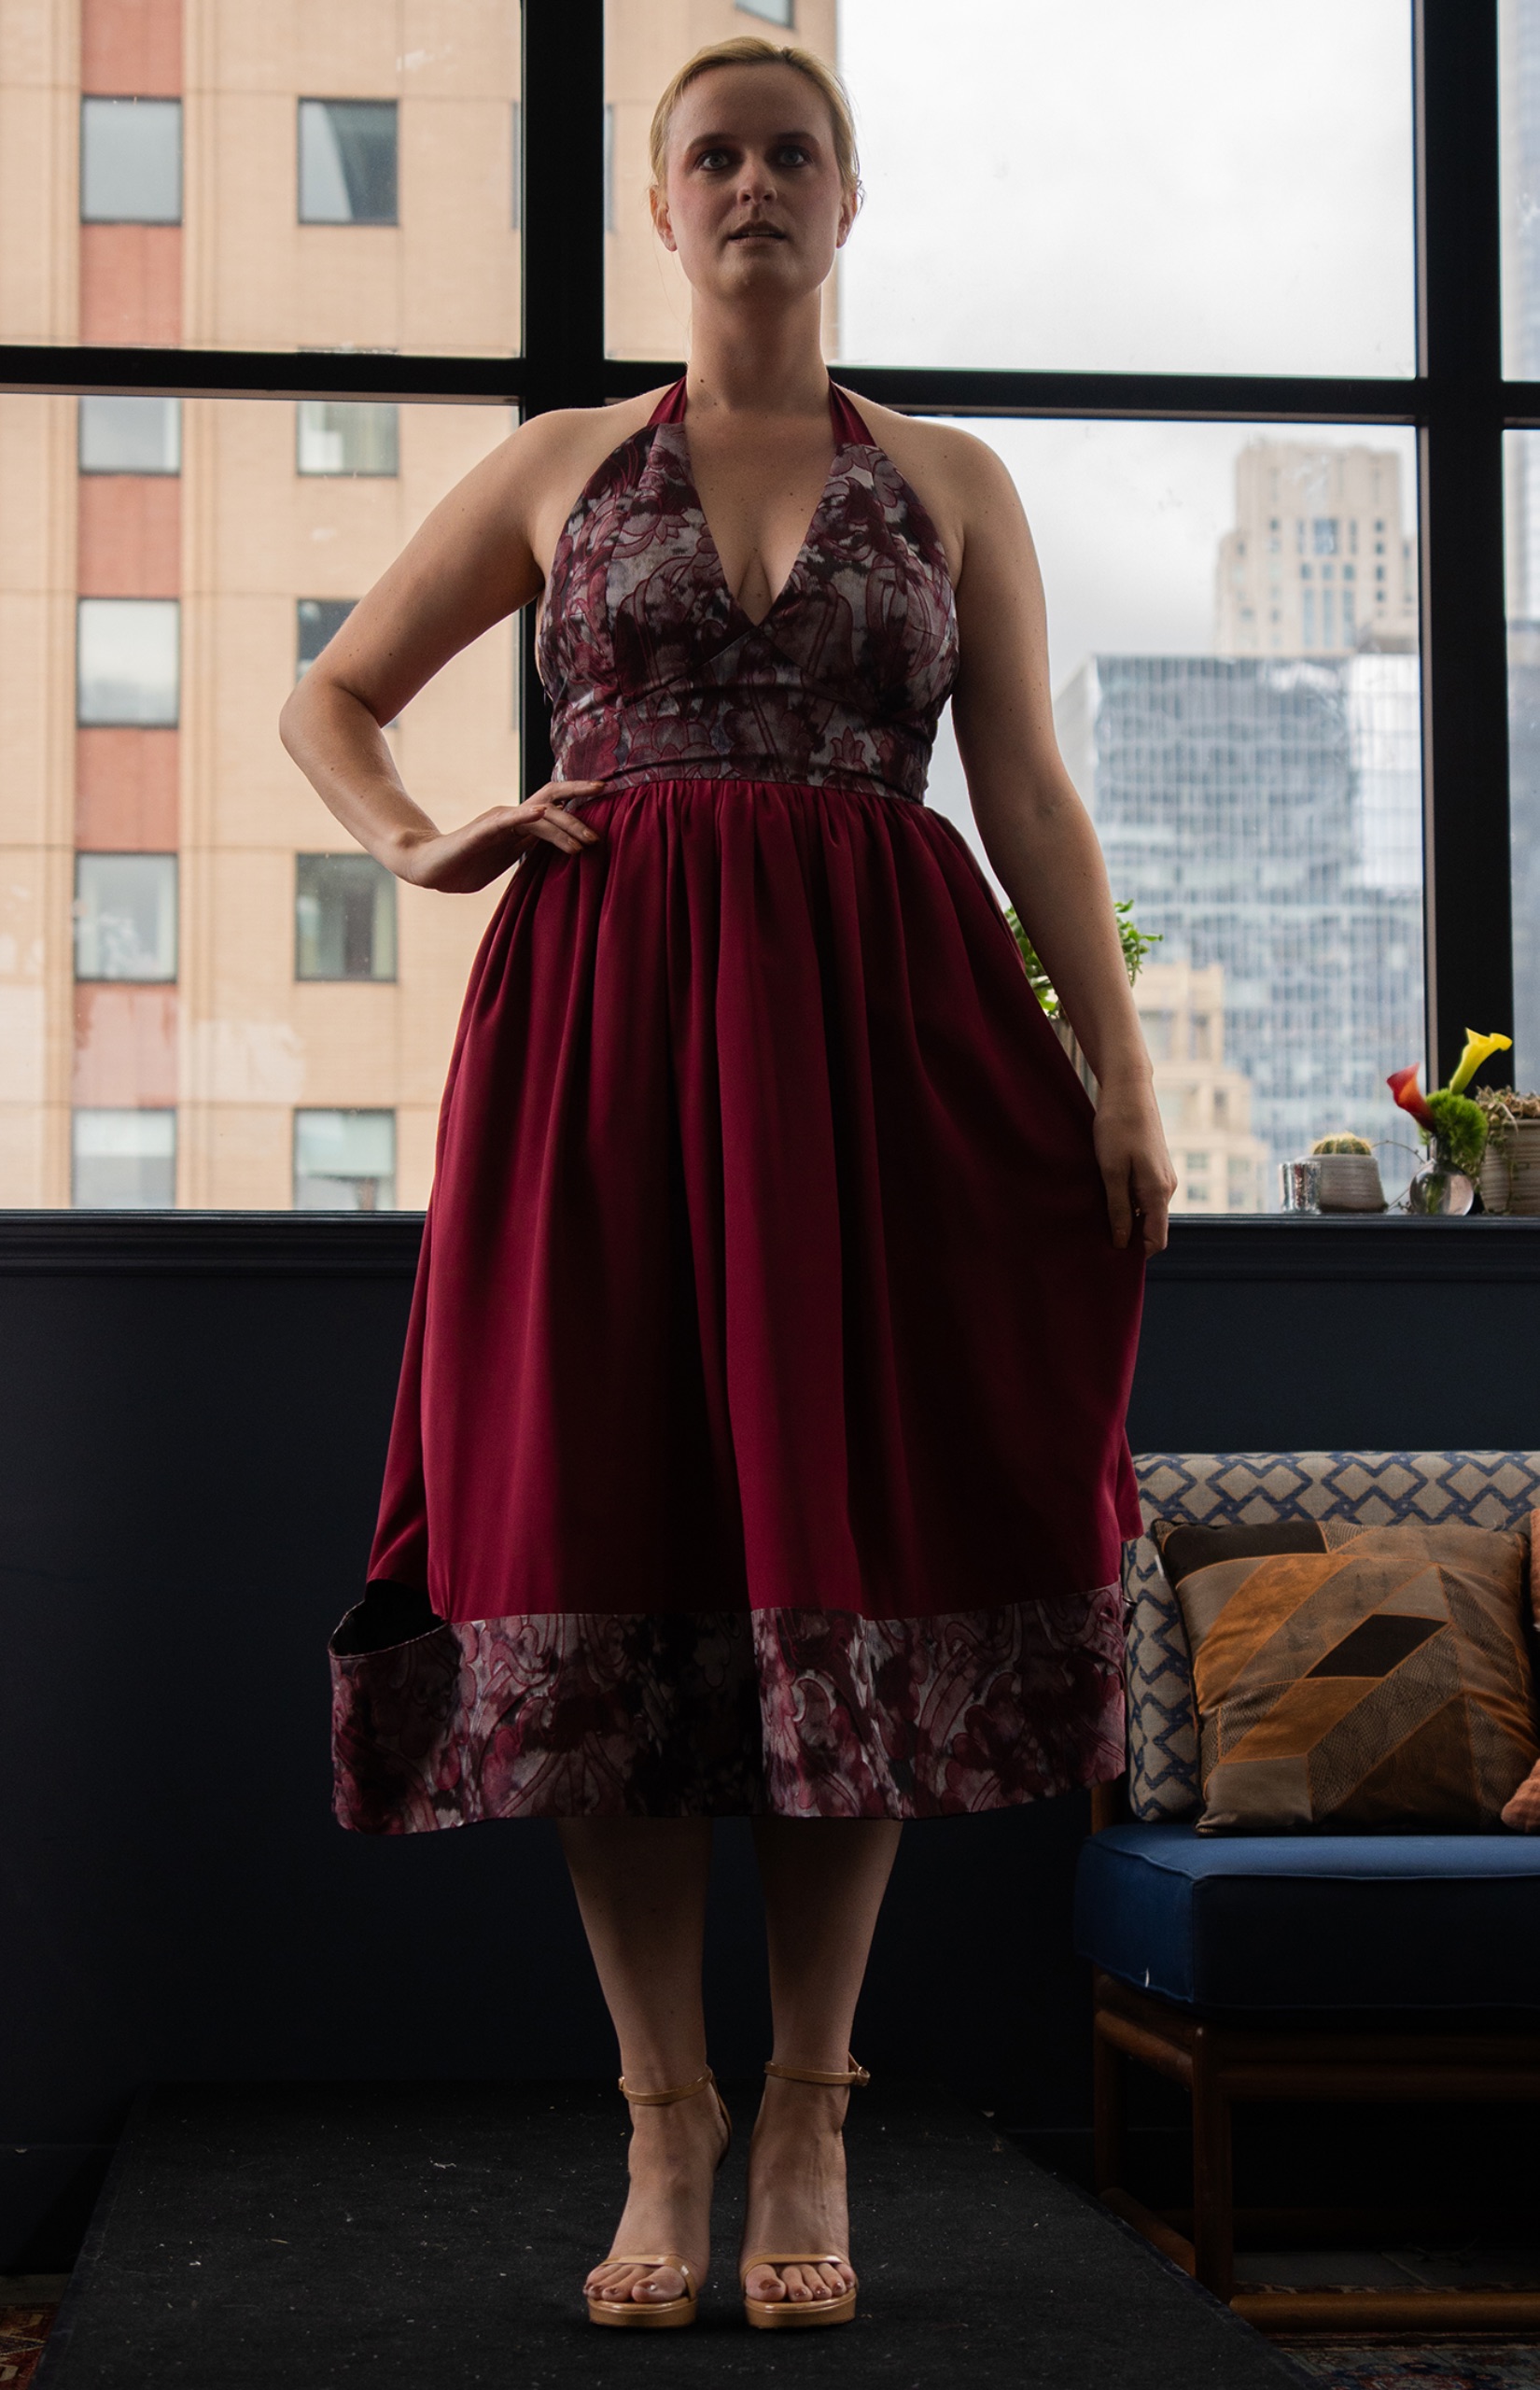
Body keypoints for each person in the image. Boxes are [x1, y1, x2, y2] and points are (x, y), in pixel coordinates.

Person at [281, 35, 1174, 2336]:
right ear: (662, 212)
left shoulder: (953, 481)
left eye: (795, 150)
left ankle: (809, 2096)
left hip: (875, 1065)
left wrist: (1122, 1077)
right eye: (715, 156)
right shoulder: (563, 463)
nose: (755, 181)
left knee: (831, 1550)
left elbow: (1034, 801)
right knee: (608, 1541)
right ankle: (663, 2106)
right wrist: (422, 841)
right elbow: (334, 699)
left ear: (846, 200)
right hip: (598, 1052)